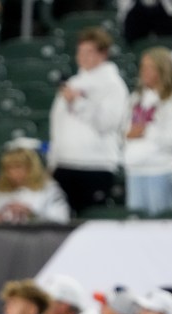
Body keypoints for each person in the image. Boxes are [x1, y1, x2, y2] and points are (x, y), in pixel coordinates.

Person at [49, 27, 130, 215]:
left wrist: (79, 103)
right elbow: (57, 126)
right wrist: (52, 161)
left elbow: (108, 123)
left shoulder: (113, 85)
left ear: (103, 54)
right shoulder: (73, 83)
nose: (83, 56)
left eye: (89, 52)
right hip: (64, 164)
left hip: (95, 165)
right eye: (80, 51)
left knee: (89, 220)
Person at [123, 47, 172, 216]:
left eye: (150, 67)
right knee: (135, 228)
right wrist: (127, 134)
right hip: (133, 170)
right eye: (143, 67)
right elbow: (124, 129)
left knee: (160, 227)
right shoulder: (135, 98)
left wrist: (147, 132)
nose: (144, 72)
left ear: (163, 70)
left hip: (160, 170)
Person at [0, 147, 71, 224]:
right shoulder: (0, 190)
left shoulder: (49, 189)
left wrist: (32, 215)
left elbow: (61, 221)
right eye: (8, 168)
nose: (12, 173)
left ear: (31, 168)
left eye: (18, 167)